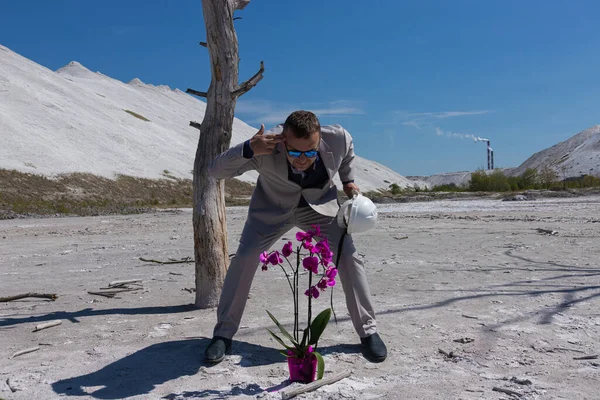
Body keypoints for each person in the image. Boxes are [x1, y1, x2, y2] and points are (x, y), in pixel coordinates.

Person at [203, 110, 387, 364]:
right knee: (244, 257)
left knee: (349, 257)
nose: (303, 159)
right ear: (283, 141)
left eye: (310, 152)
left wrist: (348, 181)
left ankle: (368, 332)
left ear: (320, 140)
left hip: (320, 211)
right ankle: (223, 334)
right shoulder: (264, 146)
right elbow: (215, 171)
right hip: (271, 211)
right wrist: (248, 148)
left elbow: (347, 157)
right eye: (295, 152)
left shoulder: (339, 138)